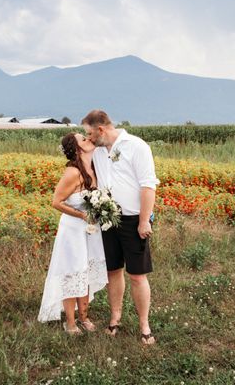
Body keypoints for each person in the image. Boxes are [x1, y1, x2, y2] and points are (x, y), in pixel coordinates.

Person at [82, 110, 159, 345]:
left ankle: (144, 325)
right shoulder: (96, 151)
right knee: (113, 271)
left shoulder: (136, 146)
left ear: (101, 129)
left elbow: (148, 186)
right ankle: (115, 318)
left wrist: (144, 220)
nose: (88, 138)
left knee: (137, 275)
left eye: (89, 133)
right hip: (108, 218)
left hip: (134, 220)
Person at [38, 132, 109, 334]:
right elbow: (56, 202)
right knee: (72, 273)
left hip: (90, 230)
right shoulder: (72, 173)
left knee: (84, 272)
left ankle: (84, 317)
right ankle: (70, 322)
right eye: (83, 139)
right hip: (73, 230)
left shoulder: (94, 168)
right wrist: (81, 215)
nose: (88, 140)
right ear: (78, 149)